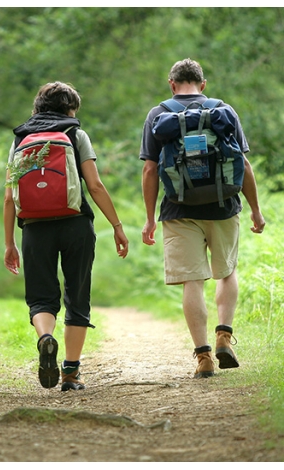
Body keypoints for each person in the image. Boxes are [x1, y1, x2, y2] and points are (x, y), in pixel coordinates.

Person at [140, 58, 266, 378]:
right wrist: (255, 209)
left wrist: (150, 218)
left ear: (171, 84)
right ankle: (224, 335)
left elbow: (150, 169)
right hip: (224, 206)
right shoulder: (223, 111)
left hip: (179, 210)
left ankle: (204, 357)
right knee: (226, 272)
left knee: (192, 281)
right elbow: (244, 165)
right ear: (203, 84)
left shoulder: (159, 114)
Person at [4, 81, 129, 391]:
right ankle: (70, 373)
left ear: (38, 106)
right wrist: (116, 225)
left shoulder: (21, 138)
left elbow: (9, 196)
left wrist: (9, 242)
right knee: (77, 294)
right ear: (71, 109)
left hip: (34, 228)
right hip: (76, 224)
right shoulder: (76, 135)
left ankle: (46, 338)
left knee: (41, 296)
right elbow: (95, 185)